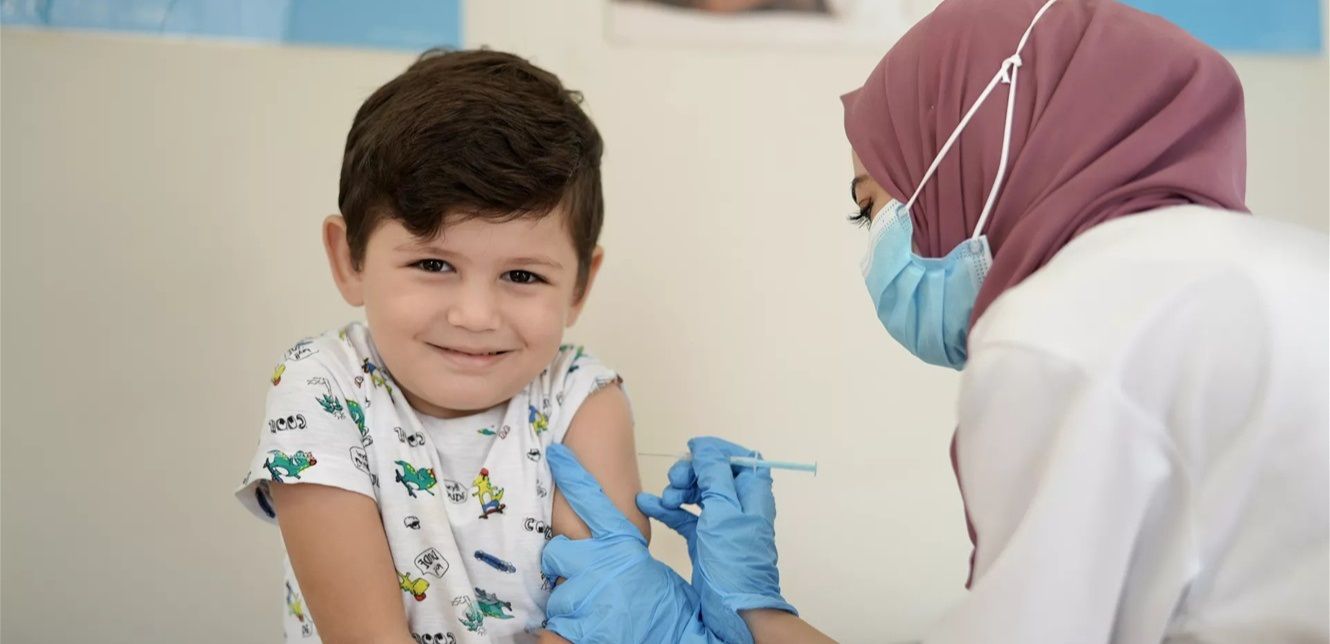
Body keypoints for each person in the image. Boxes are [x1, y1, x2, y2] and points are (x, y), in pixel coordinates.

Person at [537, 0, 1330, 641]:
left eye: (871, 208)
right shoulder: (1268, 268)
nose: (877, 252)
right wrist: (757, 614)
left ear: (978, 154)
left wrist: (705, 625)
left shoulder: (1062, 334)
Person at [234, 49, 649, 643]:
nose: (475, 316)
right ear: (350, 259)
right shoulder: (324, 386)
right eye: (433, 264)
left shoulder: (583, 399)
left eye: (522, 275)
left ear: (579, 285)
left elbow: (598, 618)